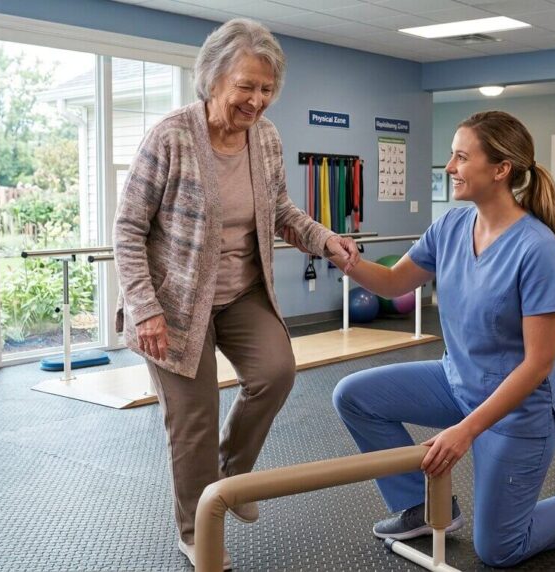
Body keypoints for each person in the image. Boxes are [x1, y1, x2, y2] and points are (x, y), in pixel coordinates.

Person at [332, 111, 555, 568]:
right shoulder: (450, 227)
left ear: (500, 169)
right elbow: (394, 283)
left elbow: (537, 364)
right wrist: (347, 260)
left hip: (518, 410)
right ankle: (422, 506)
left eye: (460, 157)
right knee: (354, 395)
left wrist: (466, 431)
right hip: (456, 382)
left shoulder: (538, 249)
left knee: (498, 549)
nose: (450, 167)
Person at [113, 18, 359, 568]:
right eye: (246, 86)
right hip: (174, 305)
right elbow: (127, 228)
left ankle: (231, 472)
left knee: (276, 371)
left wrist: (325, 240)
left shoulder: (265, 138)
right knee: (193, 419)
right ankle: (197, 530)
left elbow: (280, 211)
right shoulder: (171, 136)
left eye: (267, 89)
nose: (257, 100)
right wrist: (145, 308)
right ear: (213, 78)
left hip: (242, 291)